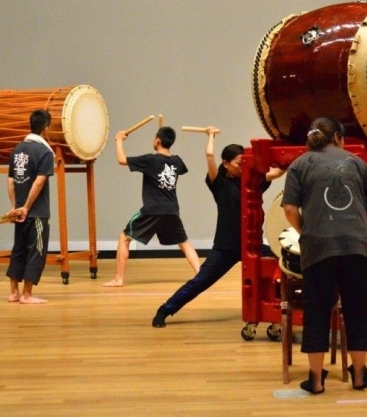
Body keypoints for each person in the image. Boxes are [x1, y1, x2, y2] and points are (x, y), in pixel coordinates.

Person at [282, 117, 367, 394]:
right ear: (339, 138)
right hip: (355, 246)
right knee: (358, 309)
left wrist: (308, 229)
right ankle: (360, 375)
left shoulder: (300, 164)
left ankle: (315, 380)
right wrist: (358, 219)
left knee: (316, 310)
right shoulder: (356, 163)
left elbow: (290, 209)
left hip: (318, 248)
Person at [152, 127, 285, 327]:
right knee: (200, 282)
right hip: (225, 247)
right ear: (226, 163)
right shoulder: (219, 183)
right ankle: (165, 310)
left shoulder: (253, 181)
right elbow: (209, 154)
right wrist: (211, 136)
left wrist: (286, 147)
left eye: (245, 163)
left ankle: (278, 313)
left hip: (252, 246)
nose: (243, 167)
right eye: (239, 164)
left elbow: (278, 171)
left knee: (283, 264)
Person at [103, 126, 201, 287]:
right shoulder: (177, 161)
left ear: (157, 140)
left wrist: (119, 140)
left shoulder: (151, 160)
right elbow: (179, 169)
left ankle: (118, 279)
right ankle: (200, 275)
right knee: (184, 243)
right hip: (172, 209)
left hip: (153, 209)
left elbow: (121, 159)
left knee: (123, 238)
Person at [6, 109, 54, 304]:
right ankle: (26, 294)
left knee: (19, 249)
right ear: (47, 128)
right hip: (36, 213)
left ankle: (13, 293)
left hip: (20, 212)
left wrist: (16, 206)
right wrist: (26, 207)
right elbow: (39, 182)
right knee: (36, 251)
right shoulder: (44, 151)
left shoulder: (17, 149)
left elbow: (10, 181)